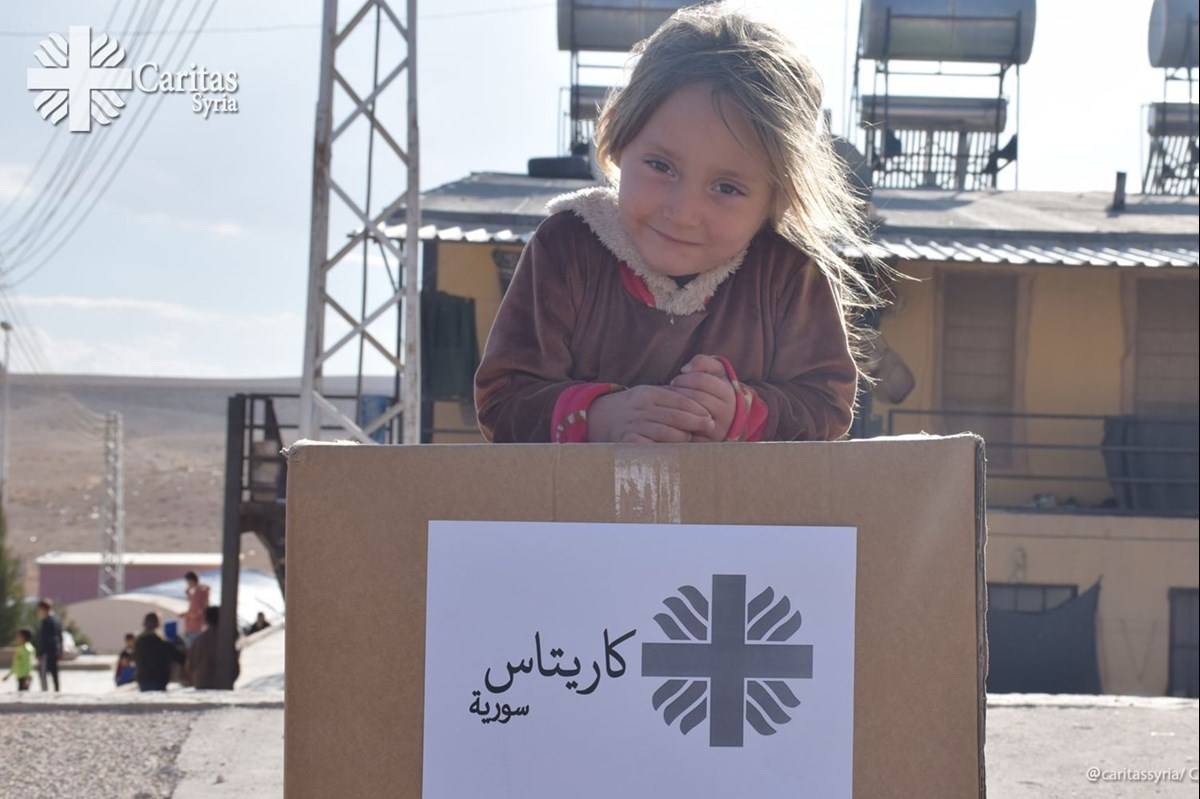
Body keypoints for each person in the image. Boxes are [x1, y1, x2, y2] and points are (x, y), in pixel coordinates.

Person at [475, 6, 881, 444]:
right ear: (617, 138)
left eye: (727, 188)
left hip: (730, 513)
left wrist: (739, 412)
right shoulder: (568, 246)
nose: (684, 211)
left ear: (774, 201)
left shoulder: (788, 275)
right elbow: (504, 399)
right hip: (583, 512)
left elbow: (827, 406)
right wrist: (603, 417)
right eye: (660, 166)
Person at [187, 605, 239, 690]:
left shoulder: (199, 640)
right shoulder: (227, 640)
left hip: (201, 682)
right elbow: (234, 664)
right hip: (223, 683)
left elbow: (191, 664)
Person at [133, 612, 186, 692]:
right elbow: (180, 657)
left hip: (143, 679)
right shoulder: (161, 642)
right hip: (158, 680)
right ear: (158, 624)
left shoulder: (138, 642)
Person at [35, 598, 64, 692]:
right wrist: (60, 650)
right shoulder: (57, 619)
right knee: (54, 672)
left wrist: (40, 652)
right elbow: (60, 636)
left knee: (43, 673)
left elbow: (45, 638)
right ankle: (56, 690)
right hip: (55, 649)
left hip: (47, 651)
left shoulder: (47, 621)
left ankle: (45, 691)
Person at [183, 571, 210, 647]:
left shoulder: (198, 594)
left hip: (195, 628)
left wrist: (187, 615)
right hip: (195, 628)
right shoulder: (198, 593)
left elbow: (198, 612)